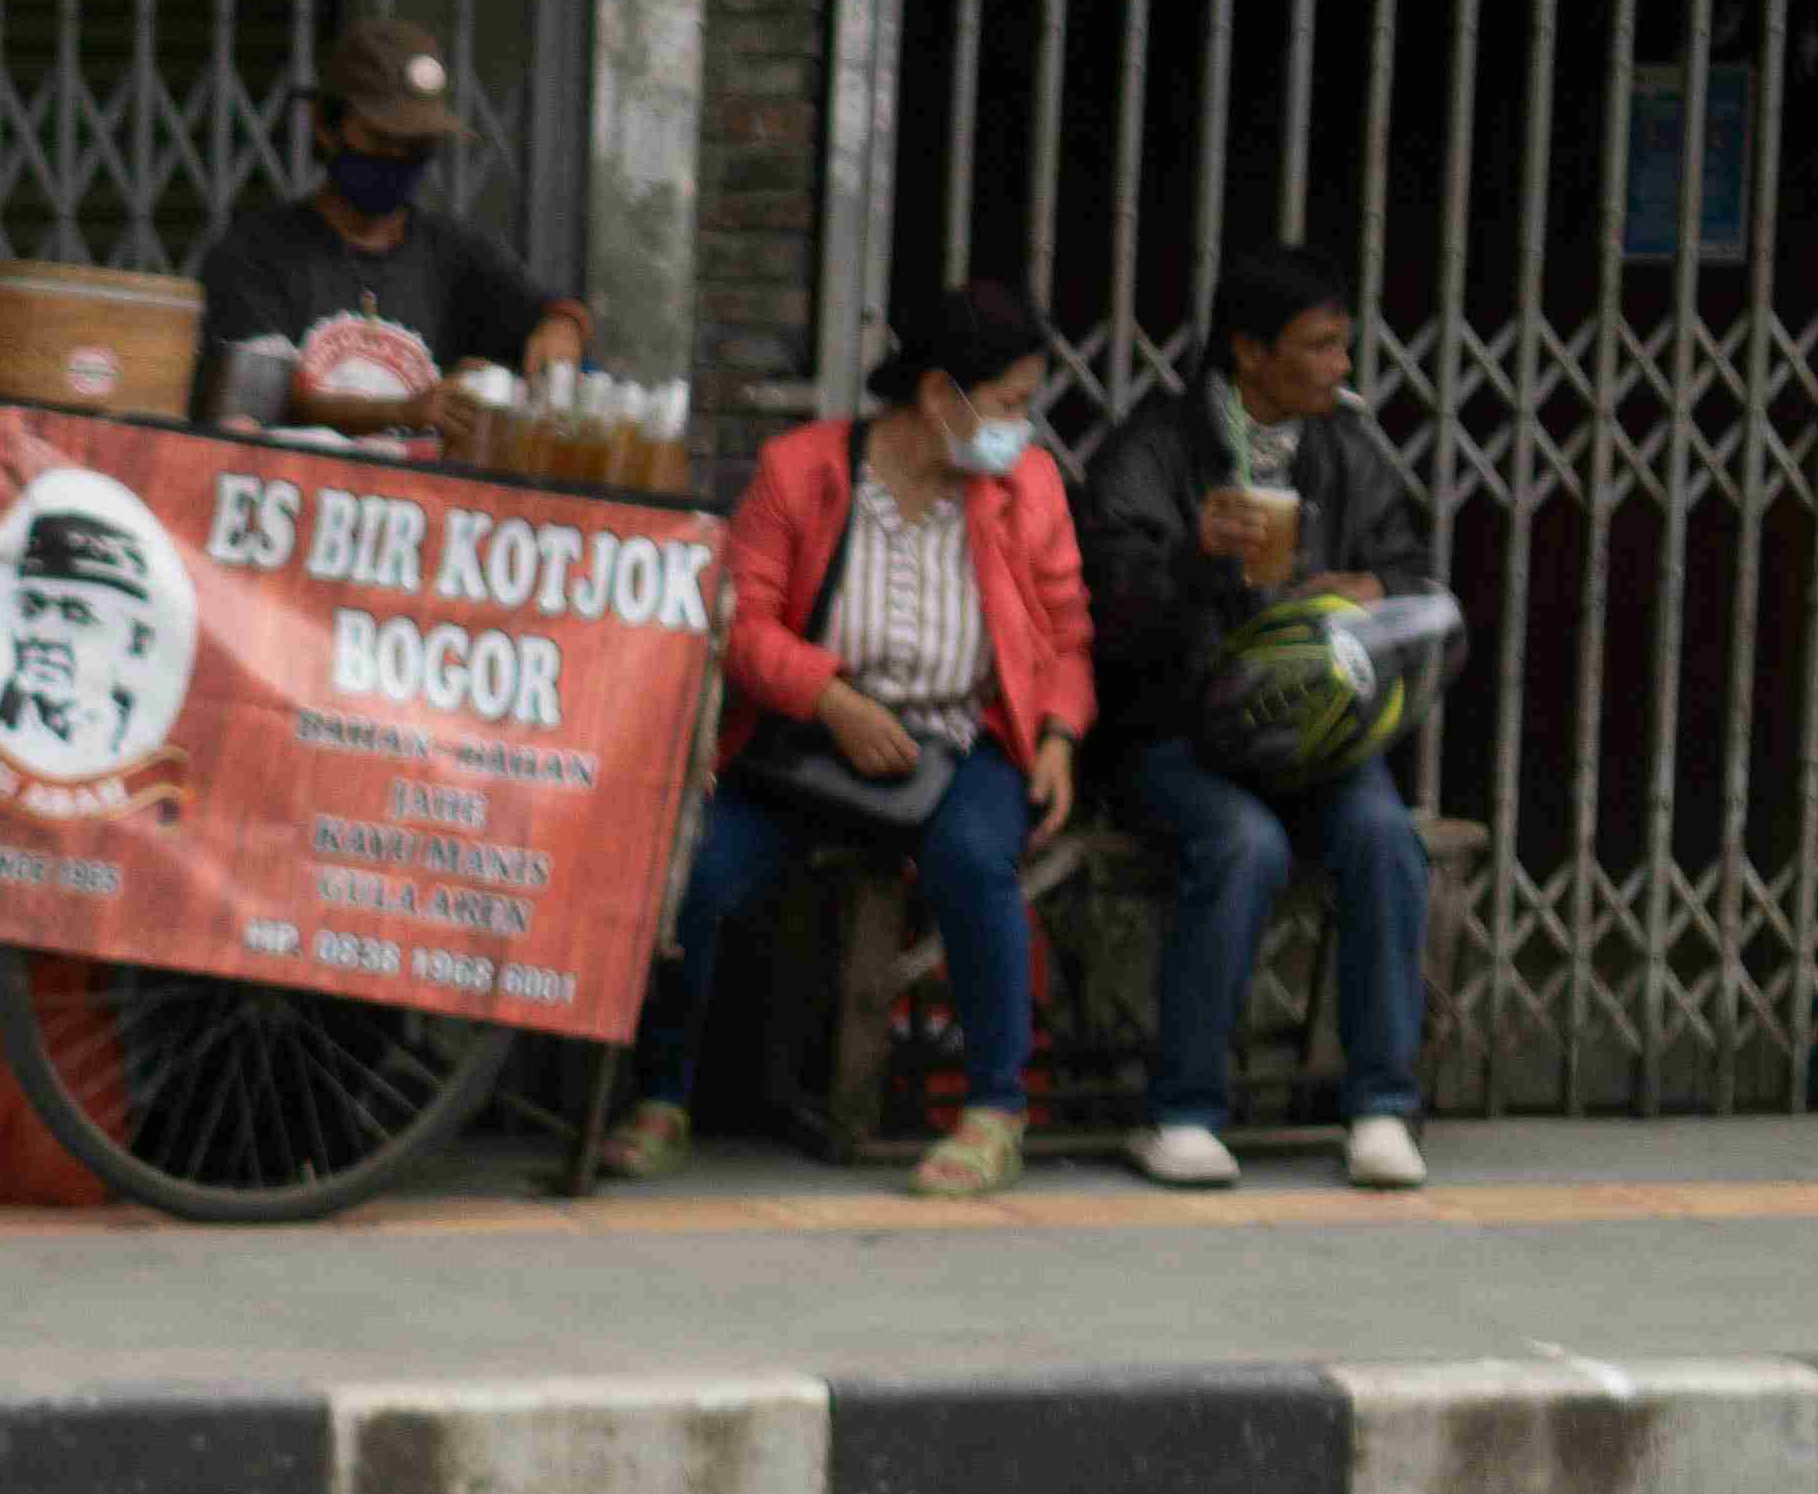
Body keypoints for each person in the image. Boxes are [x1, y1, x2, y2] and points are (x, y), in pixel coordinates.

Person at [598, 281, 1092, 1201]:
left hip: (959, 737)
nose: (1021, 428)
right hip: (810, 742)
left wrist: (1059, 735)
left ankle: (995, 1113)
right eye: (1009, 404)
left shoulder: (1027, 489)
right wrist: (832, 701)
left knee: (975, 863)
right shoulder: (802, 471)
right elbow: (740, 625)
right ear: (939, 394)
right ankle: (660, 1099)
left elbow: (1065, 629)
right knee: (695, 875)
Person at [1077, 246, 1440, 1194]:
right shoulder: (1151, 450)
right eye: (1319, 347)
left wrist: (1375, 589)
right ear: (1248, 350)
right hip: (1176, 735)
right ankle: (1184, 1112)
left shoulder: (1349, 451)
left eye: (1341, 346)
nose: (1340, 367)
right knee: (1244, 846)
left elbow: (1415, 579)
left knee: (1384, 838)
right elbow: (1108, 616)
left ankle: (1380, 1106)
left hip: (1307, 736)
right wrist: (1197, 559)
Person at [190, 16, 588, 412]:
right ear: (326, 127)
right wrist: (403, 412)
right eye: (383, 139)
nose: (399, 157)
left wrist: (560, 331)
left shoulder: (456, 256)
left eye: (416, 145)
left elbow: (554, 317)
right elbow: (260, 401)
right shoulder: (256, 253)